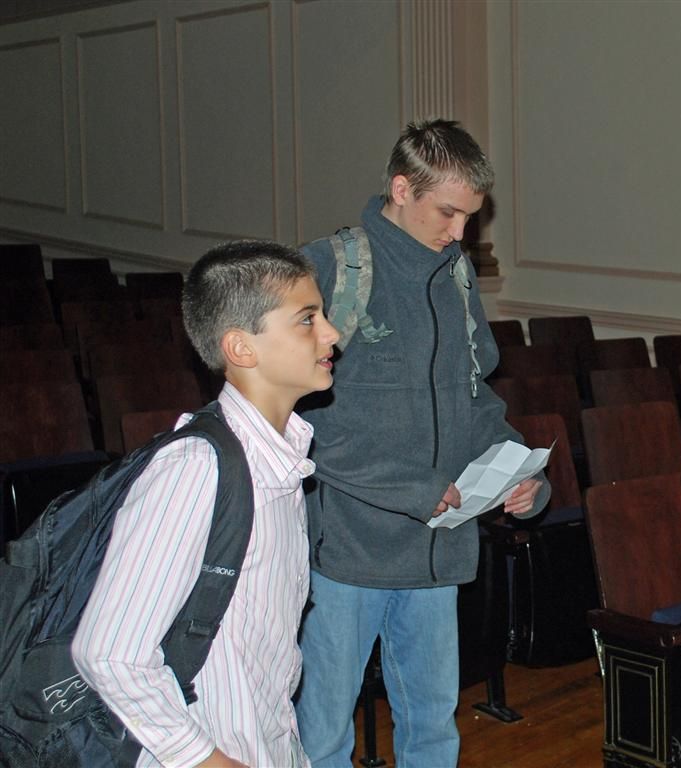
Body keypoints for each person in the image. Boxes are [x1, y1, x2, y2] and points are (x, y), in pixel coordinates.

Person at [293, 119, 549, 768]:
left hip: (437, 548)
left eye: (470, 216)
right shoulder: (327, 268)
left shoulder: (454, 279)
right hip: (345, 552)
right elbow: (295, 419)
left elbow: (474, 400)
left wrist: (519, 471)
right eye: (448, 212)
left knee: (433, 730)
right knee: (322, 735)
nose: (459, 233)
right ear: (401, 188)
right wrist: (411, 488)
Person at [73, 241, 340, 767]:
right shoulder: (196, 469)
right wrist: (206, 759)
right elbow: (108, 653)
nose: (331, 333)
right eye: (307, 320)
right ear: (241, 349)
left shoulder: (282, 461)